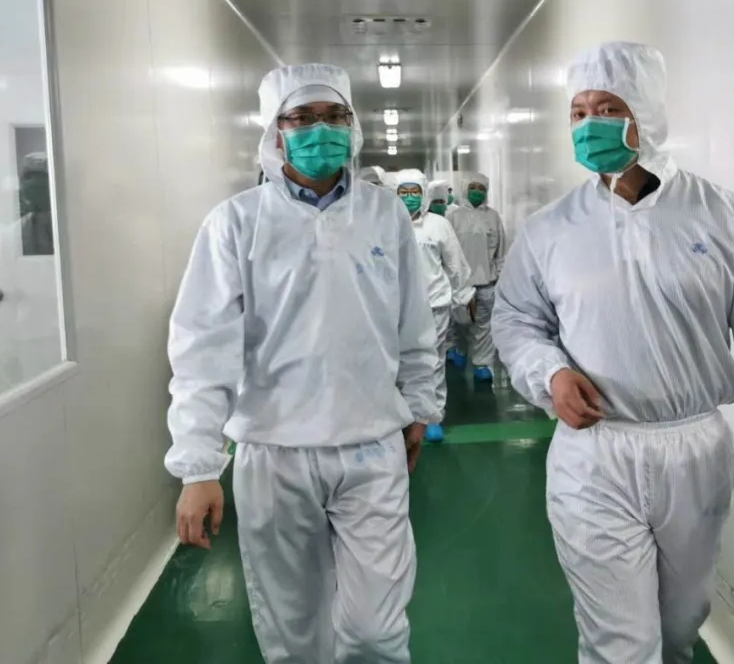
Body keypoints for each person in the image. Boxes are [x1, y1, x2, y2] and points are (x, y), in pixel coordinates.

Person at [491, 41, 734, 664]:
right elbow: (515, 320)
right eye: (578, 112)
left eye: (607, 108)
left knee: (678, 626)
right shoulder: (550, 230)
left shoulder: (725, 218)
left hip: (693, 449)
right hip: (594, 454)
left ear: (644, 113)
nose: (589, 124)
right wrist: (549, 372)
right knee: (621, 643)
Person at [165, 63, 440, 664]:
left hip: (371, 446)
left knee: (375, 629)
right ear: (276, 130)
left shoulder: (385, 214)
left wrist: (420, 407)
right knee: (293, 627)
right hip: (274, 451)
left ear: (352, 124)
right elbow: (202, 349)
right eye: (302, 118)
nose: (322, 130)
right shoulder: (236, 223)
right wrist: (198, 465)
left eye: (334, 116)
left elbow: (414, 324)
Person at [396, 170, 476, 442]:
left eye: (414, 192)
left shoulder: (438, 225)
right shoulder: (386, 222)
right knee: (399, 363)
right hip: (397, 308)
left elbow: (455, 263)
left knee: (433, 361)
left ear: (424, 194)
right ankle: (405, 414)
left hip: (434, 304)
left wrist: (464, 295)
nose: (409, 197)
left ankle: (432, 416)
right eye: (403, 192)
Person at [447, 172, 505, 381]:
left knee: (484, 326)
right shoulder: (453, 217)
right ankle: (459, 349)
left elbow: (501, 250)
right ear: (465, 189)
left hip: (487, 282)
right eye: (473, 187)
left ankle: (482, 364)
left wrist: (500, 276)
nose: (477, 192)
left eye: (481, 188)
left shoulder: (493, 217)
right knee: (460, 322)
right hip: (460, 283)